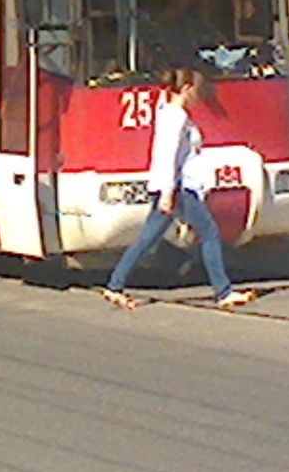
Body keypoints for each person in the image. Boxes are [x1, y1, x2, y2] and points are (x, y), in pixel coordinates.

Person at [101, 68, 255, 310]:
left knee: (148, 239)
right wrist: (168, 192)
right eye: (196, 90)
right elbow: (169, 155)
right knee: (209, 233)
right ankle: (223, 292)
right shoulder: (177, 116)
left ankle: (115, 286)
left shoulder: (166, 111)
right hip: (178, 187)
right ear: (186, 89)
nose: (198, 96)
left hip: (171, 186)